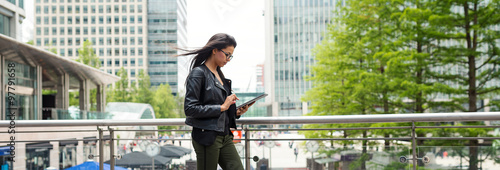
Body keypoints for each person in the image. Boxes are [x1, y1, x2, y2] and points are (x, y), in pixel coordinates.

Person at [181, 33, 254, 170]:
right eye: (227, 54)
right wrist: (222, 107)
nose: (228, 59)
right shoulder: (198, 73)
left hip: (225, 136)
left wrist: (236, 112)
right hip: (207, 136)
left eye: (230, 56)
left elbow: (222, 109)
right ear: (215, 50)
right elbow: (190, 109)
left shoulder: (220, 75)